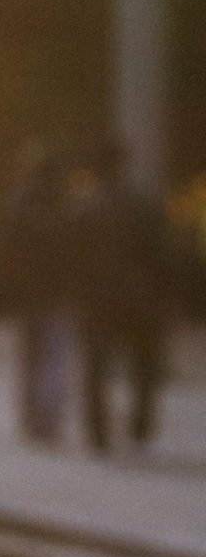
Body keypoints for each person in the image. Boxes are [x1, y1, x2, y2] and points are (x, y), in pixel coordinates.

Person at [70, 138, 171, 453]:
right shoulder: (144, 205)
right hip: (140, 297)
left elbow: (71, 259)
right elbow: (163, 255)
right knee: (145, 366)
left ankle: (98, 433)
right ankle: (140, 427)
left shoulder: (85, 208)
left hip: (97, 299)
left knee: (95, 367)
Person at [0, 145, 76, 444]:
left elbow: (7, 251)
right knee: (54, 356)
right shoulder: (64, 205)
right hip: (57, 290)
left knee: (31, 355)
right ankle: (47, 418)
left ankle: (31, 417)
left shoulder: (18, 204)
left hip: (29, 292)